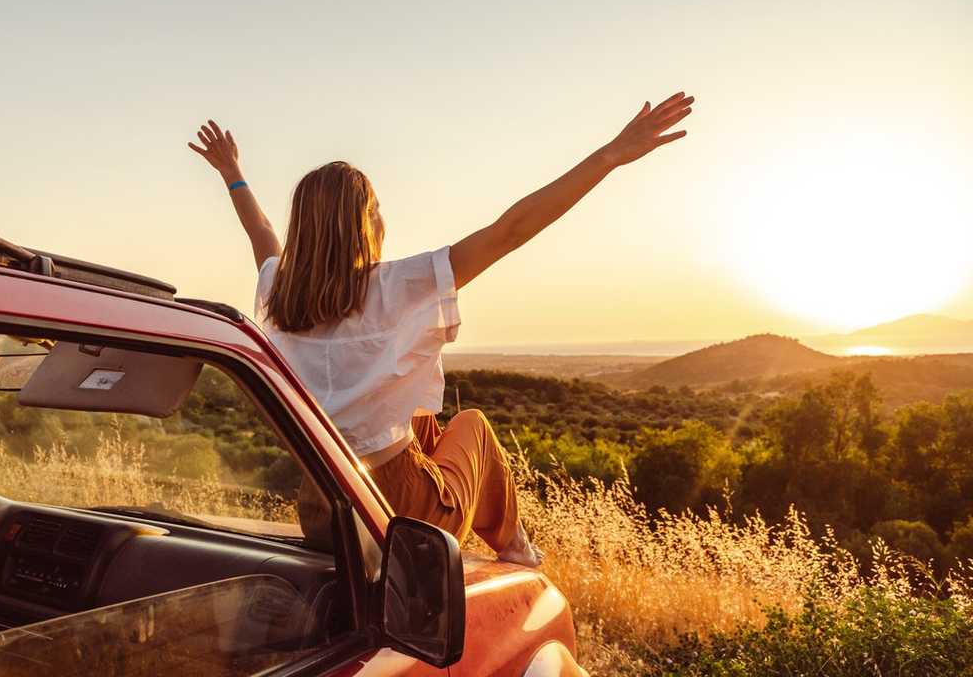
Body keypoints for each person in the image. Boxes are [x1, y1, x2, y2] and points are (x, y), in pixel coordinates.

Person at [188, 92, 693, 565]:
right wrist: (610, 155)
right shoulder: (397, 286)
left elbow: (261, 236)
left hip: (321, 505)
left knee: (426, 425)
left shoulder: (280, 293)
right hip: (400, 510)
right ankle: (515, 547)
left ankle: (505, 535)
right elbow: (511, 230)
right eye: (376, 208)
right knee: (471, 424)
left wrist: (234, 175)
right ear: (363, 222)